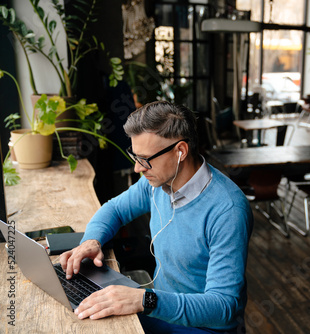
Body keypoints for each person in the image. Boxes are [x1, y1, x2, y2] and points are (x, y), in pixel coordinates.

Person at [60, 101, 254, 333]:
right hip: (160, 311)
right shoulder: (156, 182)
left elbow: (223, 306)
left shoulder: (228, 210)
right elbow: (114, 209)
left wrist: (144, 300)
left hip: (205, 327)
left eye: (145, 159)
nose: (137, 169)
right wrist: (92, 240)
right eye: (135, 156)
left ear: (180, 151)